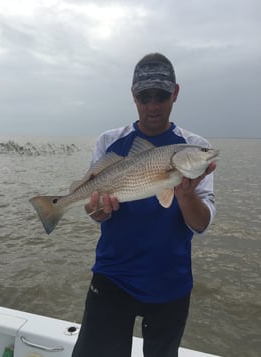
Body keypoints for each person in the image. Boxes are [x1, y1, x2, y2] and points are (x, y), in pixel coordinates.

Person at [72, 53, 216, 357]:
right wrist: (97, 209)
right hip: (112, 278)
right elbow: (93, 211)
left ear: (175, 92)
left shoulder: (192, 146)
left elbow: (201, 224)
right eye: (144, 96)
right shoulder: (109, 141)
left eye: (161, 96)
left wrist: (186, 195)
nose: (153, 106)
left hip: (170, 284)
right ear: (133, 95)